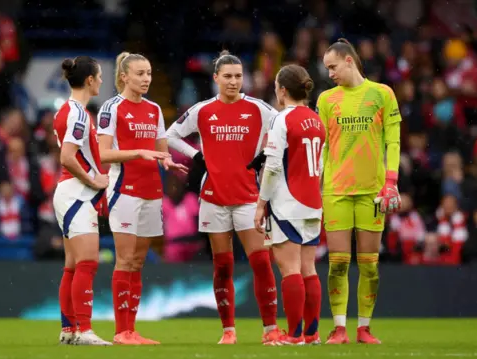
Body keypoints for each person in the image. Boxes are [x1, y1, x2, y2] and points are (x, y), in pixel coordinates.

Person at [166, 50, 281, 345]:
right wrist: (196, 155)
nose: (233, 82)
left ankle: (270, 330)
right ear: (216, 78)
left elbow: (283, 132)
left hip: (248, 198)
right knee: (223, 266)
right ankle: (228, 330)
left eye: (238, 77)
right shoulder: (203, 110)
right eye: (227, 76)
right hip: (213, 199)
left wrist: (266, 155)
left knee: (261, 263)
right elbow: (171, 135)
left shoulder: (260, 109)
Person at [97, 52, 187, 345]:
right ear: (124, 76)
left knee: (137, 261)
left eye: (148, 73)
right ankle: (121, 331)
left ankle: (131, 329)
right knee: (124, 259)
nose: (146, 78)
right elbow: (103, 153)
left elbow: (161, 150)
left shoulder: (154, 109)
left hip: (151, 191)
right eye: (140, 73)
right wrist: (137, 153)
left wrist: (168, 162)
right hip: (125, 190)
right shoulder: (112, 108)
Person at [317, 39, 402, 345]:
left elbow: (393, 141)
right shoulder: (326, 100)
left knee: (370, 266)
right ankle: (339, 328)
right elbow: (322, 148)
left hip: (372, 192)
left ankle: (364, 328)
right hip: (336, 191)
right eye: (327, 68)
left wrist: (391, 181)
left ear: (349, 61)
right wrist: (315, 186)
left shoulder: (382, 94)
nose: (330, 74)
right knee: (338, 262)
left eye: (333, 66)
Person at [253, 64, 324, 345]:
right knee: (309, 269)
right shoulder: (317, 120)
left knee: (290, 269)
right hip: (312, 201)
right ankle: (312, 333)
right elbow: (320, 165)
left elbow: (271, 168)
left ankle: (294, 335)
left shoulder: (281, 120)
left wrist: (261, 204)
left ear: (282, 90)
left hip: (286, 202)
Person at [53, 56, 111, 346]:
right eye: (99, 76)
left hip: (69, 193)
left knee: (73, 265)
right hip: (77, 192)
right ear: (89, 80)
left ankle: (69, 330)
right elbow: (66, 157)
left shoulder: (66, 111)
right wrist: (94, 180)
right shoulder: (77, 113)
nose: (102, 81)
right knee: (87, 263)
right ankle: (84, 330)